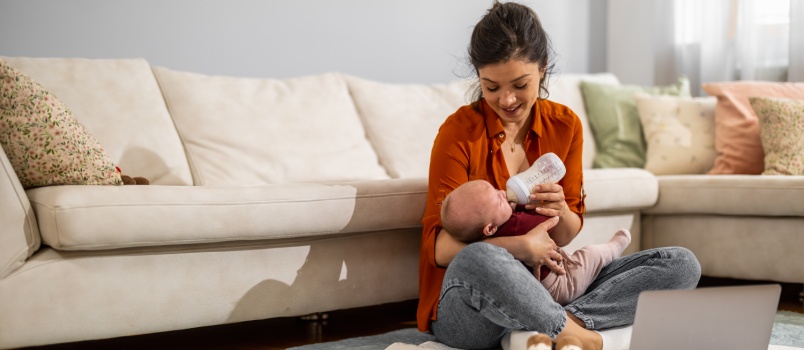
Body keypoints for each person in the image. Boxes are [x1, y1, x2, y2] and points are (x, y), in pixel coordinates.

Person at [416, 2, 701, 350]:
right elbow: (440, 249)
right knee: (479, 259)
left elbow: (565, 236)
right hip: (471, 310)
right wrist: (518, 247)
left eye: (520, 84)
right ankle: (574, 332)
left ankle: (542, 329)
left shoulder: (565, 126)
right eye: (491, 88)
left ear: (543, 69)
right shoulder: (458, 133)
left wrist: (560, 209)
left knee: (681, 264)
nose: (506, 99)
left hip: (548, 288)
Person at [440, 179, 632, 306]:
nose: (502, 193)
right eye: (499, 202)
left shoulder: (489, 233)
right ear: (490, 228)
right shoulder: (517, 226)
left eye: (496, 190)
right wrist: (530, 203)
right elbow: (543, 223)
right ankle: (614, 247)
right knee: (590, 255)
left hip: (547, 278)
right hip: (559, 286)